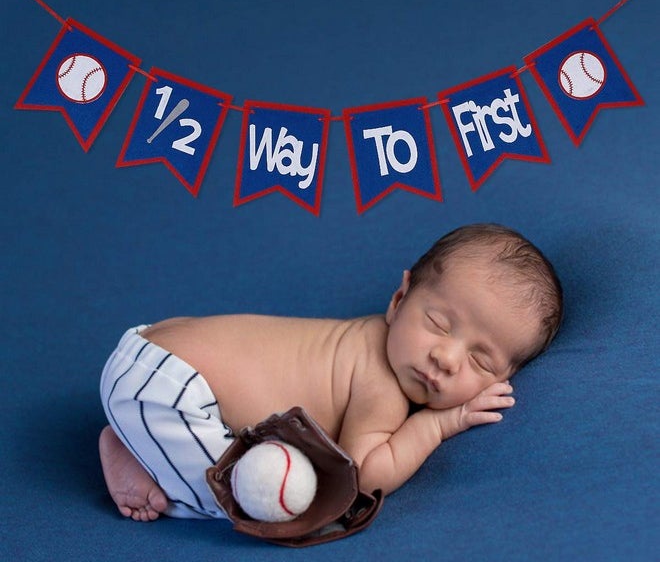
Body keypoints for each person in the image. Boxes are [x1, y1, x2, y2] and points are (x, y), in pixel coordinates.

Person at [99, 223, 563, 522]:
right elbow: (366, 475)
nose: (446, 357)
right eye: (438, 324)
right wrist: (437, 423)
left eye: (480, 361)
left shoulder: (364, 337)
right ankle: (144, 465)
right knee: (253, 497)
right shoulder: (380, 381)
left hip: (152, 356)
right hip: (169, 386)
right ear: (398, 301)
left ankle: (135, 438)